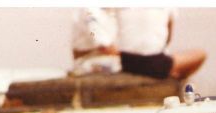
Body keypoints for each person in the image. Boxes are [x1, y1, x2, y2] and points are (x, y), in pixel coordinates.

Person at [71, 8, 206, 80]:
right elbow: (103, 45)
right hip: (91, 61)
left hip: (113, 58)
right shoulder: (89, 10)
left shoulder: (108, 10)